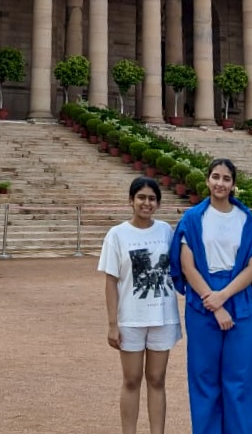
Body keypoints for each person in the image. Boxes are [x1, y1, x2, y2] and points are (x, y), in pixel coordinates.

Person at [170, 158, 252, 434]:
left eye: (226, 179)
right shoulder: (193, 218)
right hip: (202, 301)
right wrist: (214, 303)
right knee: (204, 378)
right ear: (207, 180)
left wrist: (223, 296)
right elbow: (187, 265)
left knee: (240, 378)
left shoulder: (245, 217)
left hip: (238, 296)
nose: (220, 183)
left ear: (233, 185)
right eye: (216, 177)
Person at [98, 178, 182, 434]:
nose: (147, 203)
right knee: (132, 380)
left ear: (158, 203)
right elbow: (111, 282)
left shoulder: (167, 231)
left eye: (152, 198)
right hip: (131, 318)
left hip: (162, 316)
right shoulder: (117, 235)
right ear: (131, 201)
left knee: (157, 379)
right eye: (141, 197)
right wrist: (113, 324)